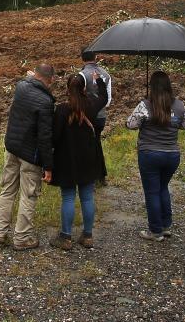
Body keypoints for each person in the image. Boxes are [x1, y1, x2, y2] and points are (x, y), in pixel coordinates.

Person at [0, 64, 55, 250]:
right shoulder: (46, 102)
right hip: (30, 154)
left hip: (12, 147)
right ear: (51, 79)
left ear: (34, 74)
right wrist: (49, 166)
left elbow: (27, 80)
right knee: (28, 195)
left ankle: (0, 232)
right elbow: (45, 137)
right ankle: (21, 237)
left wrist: (30, 77)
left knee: (7, 190)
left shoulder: (21, 87)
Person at [126, 71, 185, 241]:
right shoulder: (179, 105)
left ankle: (155, 231)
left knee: (152, 191)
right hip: (172, 155)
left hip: (149, 154)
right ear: (169, 85)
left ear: (152, 87)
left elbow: (130, 124)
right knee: (163, 188)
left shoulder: (145, 105)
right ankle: (166, 225)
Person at [49, 72, 108, 251]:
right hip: (89, 158)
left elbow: (54, 137)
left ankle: (66, 237)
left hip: (67, 159)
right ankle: (87, 235)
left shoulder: (61, 109)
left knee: (68, 197)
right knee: (87, 197)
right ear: (84, 88)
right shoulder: (92, 105)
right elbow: (104, 97)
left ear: (67, 89)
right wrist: (98, 80)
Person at [80, 49, 112, 185]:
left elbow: (78, 98)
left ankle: (90, 177)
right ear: (96, 57)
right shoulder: (106, 74)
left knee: (87, 145)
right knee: (97, 143)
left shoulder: (81, 75)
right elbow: (108, 100)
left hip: (87, 117)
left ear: (82, 58)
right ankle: (101, 176)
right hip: (101, 117)